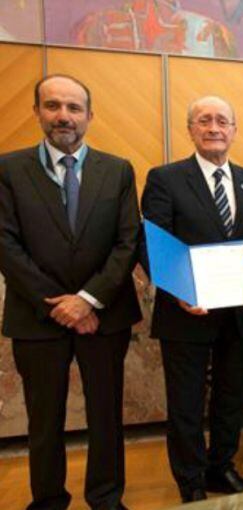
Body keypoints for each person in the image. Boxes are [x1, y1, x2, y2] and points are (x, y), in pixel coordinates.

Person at [0, 75, 141, 510]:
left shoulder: (117, 170)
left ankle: (106, 497)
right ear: (38, 111)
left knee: (106, 416)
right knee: (44, 419)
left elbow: (126, 242)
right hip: (36, 317)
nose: (64, 116)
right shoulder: (8, 168)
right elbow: (4, 243)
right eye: (53, 105)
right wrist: (63, 305)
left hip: (105, 314)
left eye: (74, 108)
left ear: (90, 116)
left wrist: (89, 299)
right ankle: (47, 500)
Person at [141, 96, 243, 502]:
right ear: (190, 129)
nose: (214, 128)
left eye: (222, 121)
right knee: (187, 405)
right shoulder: (165, 178)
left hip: (235, 311)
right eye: (204, 121)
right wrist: (180, 291)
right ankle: (191, 483)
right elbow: (153, 242)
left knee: (231, 398)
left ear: (234, 130)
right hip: (186, 311)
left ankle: (221, 468)